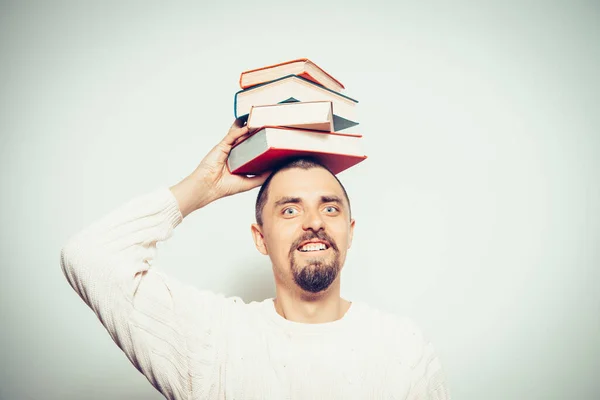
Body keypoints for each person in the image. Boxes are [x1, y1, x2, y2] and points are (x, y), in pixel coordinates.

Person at [60, 120, 450, 399]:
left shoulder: (402, 347)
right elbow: (89, 256)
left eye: (329, 209)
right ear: (260, 238)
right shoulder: (215, 341)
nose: (314, 222)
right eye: (290, 210)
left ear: (350, 232)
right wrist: (202, 188)